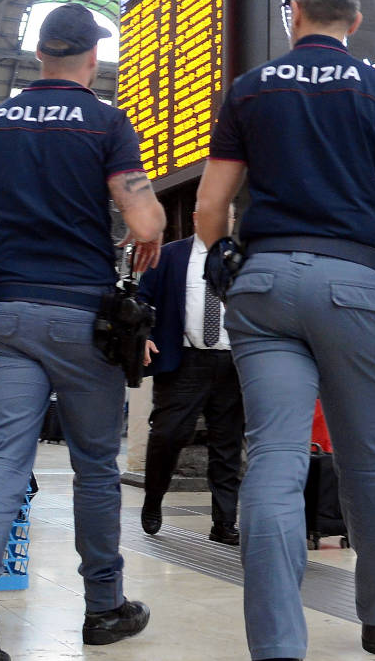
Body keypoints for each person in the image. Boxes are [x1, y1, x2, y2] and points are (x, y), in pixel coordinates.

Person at [193, 0, 375, 657]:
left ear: (294, 13)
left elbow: (209, 206)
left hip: (262, 286)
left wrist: (223, 253)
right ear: (354, 21)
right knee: (366, 462)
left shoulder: (250, 90)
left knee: (274, 458)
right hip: (352, 285)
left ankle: (277, 644)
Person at [0, 4, 164, 661]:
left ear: (38, 54)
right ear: (93, 58)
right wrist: (143, 228)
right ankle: (104, 607)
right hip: (83, 320)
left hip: (9, 313)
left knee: (1, 461)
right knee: (94, 467)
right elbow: (145, 222)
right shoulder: (105, 122)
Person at [137, 211, 244, 545]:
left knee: (228, 445)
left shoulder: (244, 257)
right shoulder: (170, 255)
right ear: (197, 217)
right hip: (184, 360)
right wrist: (144, 335)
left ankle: (224, 522)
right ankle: (153, 499)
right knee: (168, 435)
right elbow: (142, 297)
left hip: (233, 362)